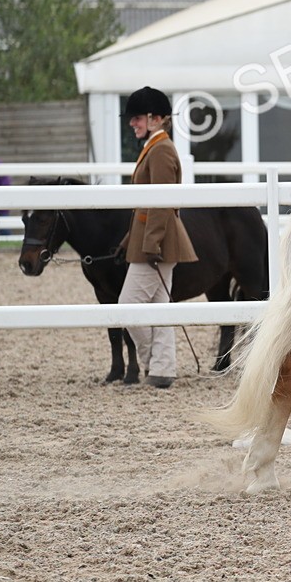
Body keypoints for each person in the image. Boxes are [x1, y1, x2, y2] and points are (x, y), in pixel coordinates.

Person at [118, 86, 197, 388]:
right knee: (159, 306)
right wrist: (130, 240)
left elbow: (162, 201)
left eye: (136, 118)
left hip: (159, 241)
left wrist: (149, 243)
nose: (131, 123)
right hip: (150, 238)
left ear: (154, 118)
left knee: (128, 306)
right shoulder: (153, 146)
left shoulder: (162, 149)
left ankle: (154, 361)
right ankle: (163, 370)